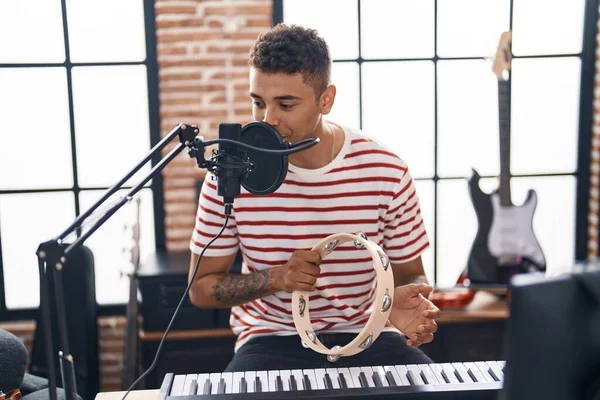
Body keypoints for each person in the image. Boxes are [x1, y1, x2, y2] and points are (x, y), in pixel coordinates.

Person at [188, 23, 440, 373]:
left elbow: (412, 276)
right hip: (270, 339)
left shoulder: (386, 169)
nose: (267, 120)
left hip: (371, 333)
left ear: (326, 99)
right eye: (258, 103)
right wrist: (277, 278)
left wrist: (403, 303)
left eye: (285, 104)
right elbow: (200, 290)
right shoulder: (229, 172)